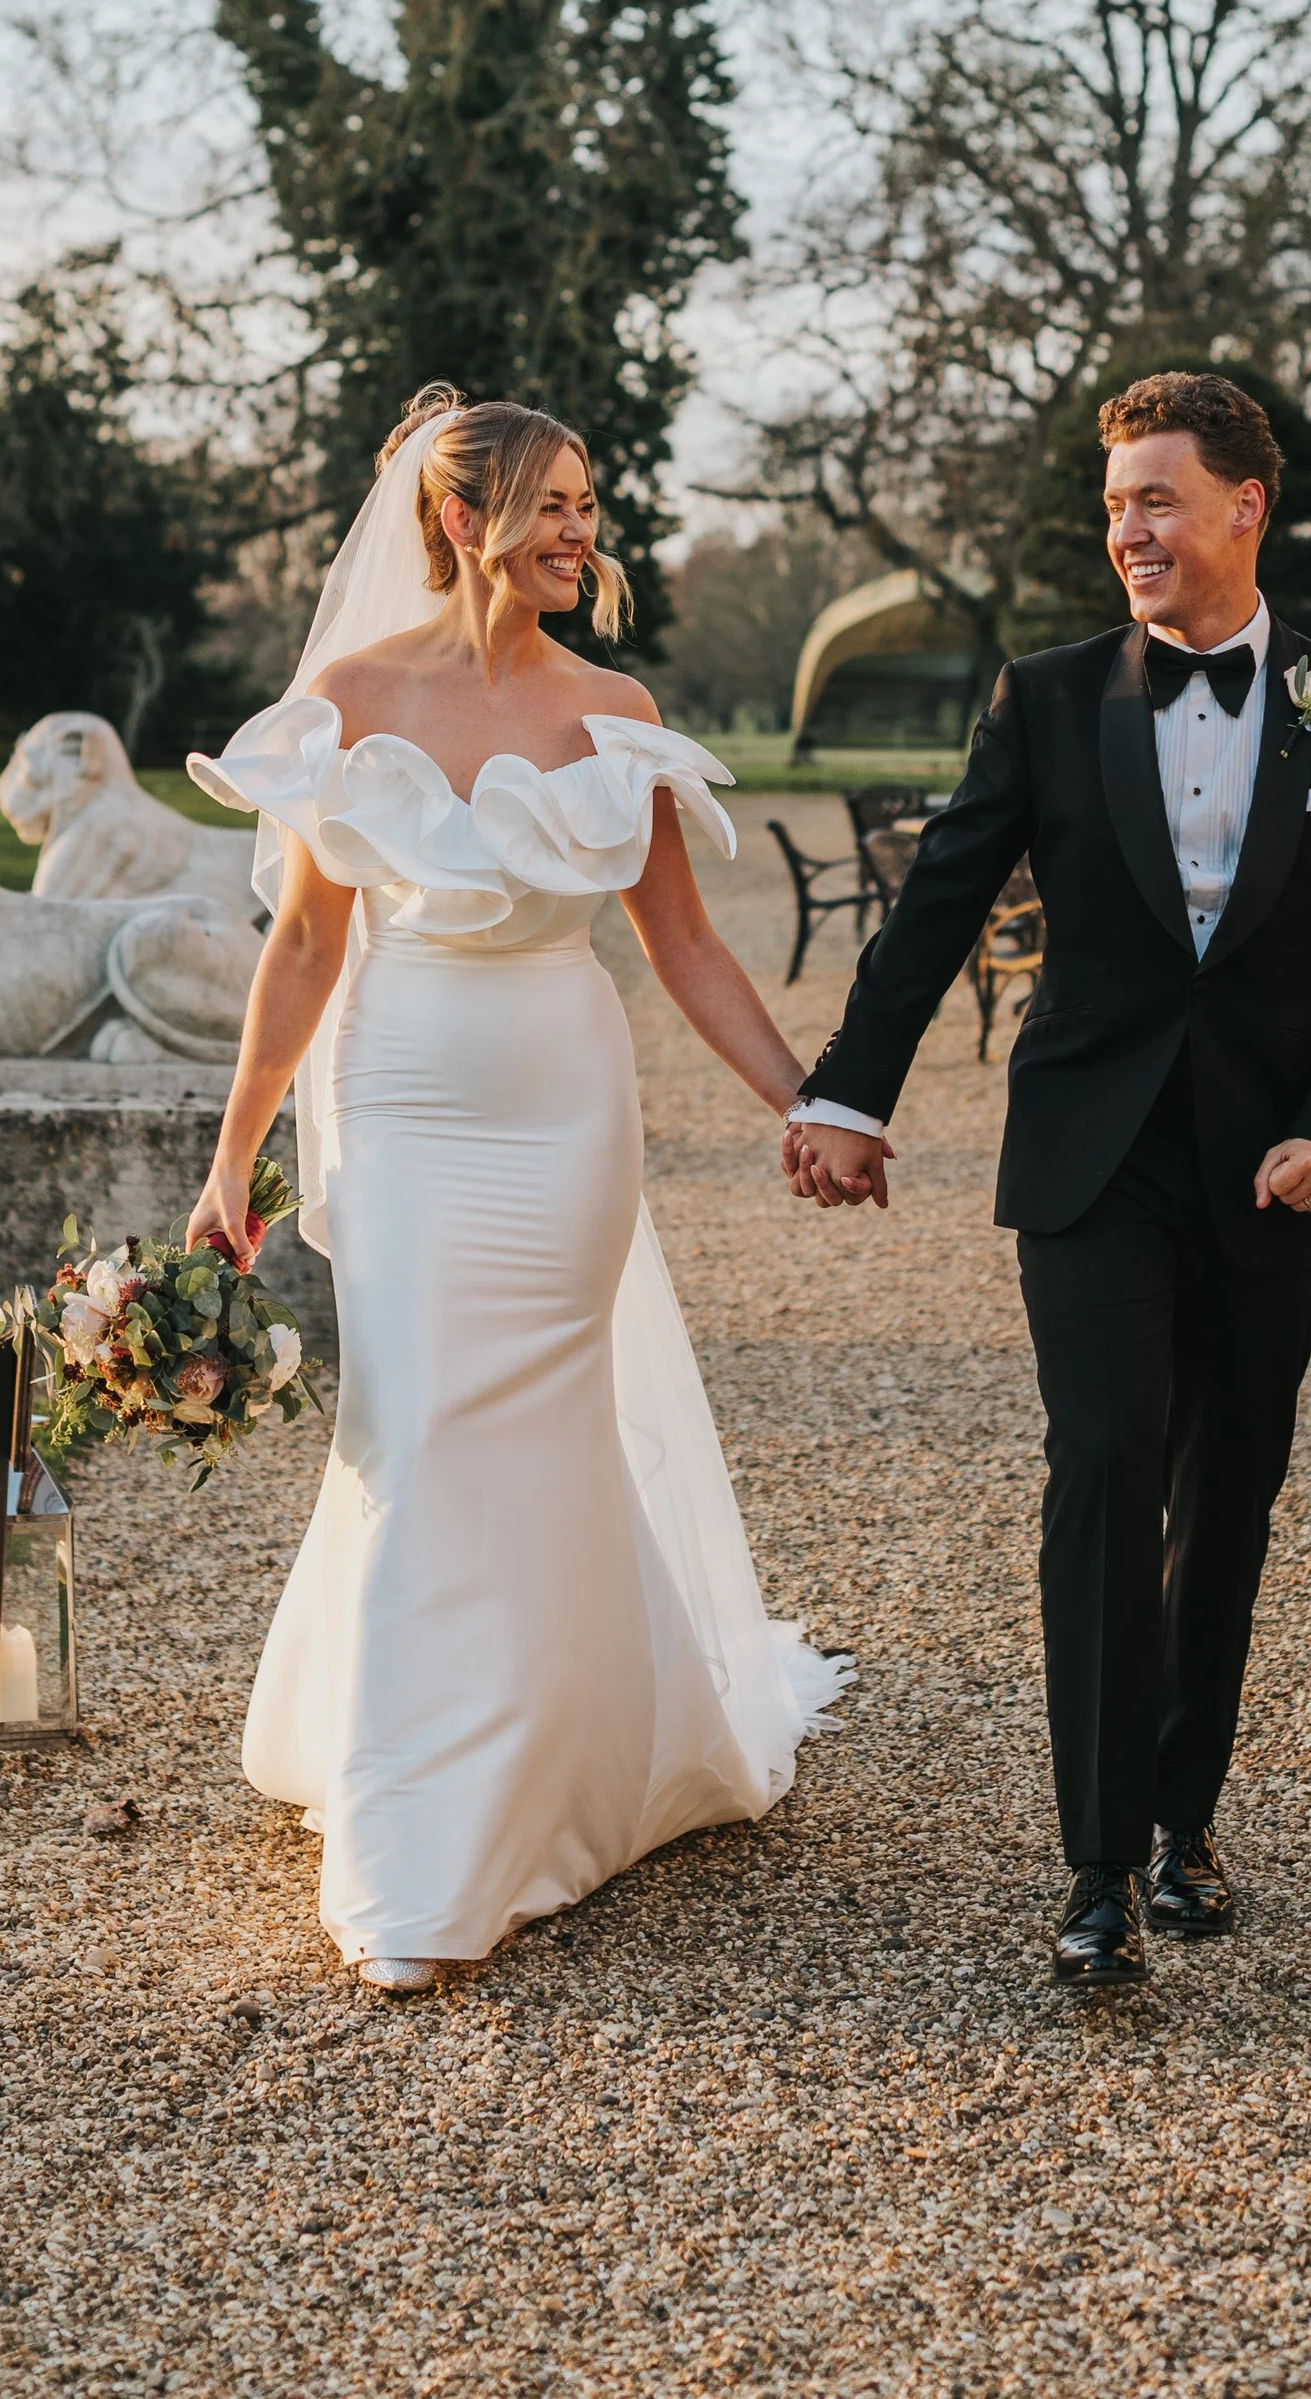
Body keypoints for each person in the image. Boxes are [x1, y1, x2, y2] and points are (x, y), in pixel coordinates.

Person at [186, 386, 847, 1992]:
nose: (580, 530)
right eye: (552, 502)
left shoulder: (610, 705)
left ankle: (552, 1771)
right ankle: (421, 1825)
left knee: (536, 1423)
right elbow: (306, 946)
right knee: (414, 1421)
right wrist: (232, 1152)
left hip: (564, 1106)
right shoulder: (349, 697)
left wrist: (806, 1100)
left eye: (589, 504)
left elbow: (682, 942)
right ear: (456, 514)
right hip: (403, 1093)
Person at [785, 370, 1311, 1989]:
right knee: (1104, 1465)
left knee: (1228, 1494)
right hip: (1090, 1155)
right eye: (1114, 505)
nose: (1128, 530)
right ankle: (1094, 1868)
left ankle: (1182, 1815)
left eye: (1157, 498)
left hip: (1274, 1172)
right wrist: (850, 1093)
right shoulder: (1050, 696)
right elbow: (936, 906)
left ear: (1243, 508)